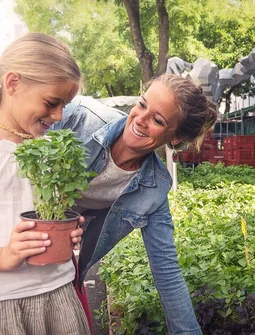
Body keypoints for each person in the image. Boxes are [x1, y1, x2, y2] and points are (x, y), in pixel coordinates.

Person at [53, 73, 218, 334]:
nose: (140, 119)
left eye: (157, 120)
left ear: (174, 138)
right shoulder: (79, 118)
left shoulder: (153, 189)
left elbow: (167, 270)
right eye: (142, 104)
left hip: (58, 261)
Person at [0, 33, 91, 335]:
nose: (59, 115)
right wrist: (5, 255)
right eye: (52, 102)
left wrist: (68, 229)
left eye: (65, 105)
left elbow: (48, 211)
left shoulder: (53, 148)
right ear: (12, 83)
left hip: (59, 295)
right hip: (7, 303)